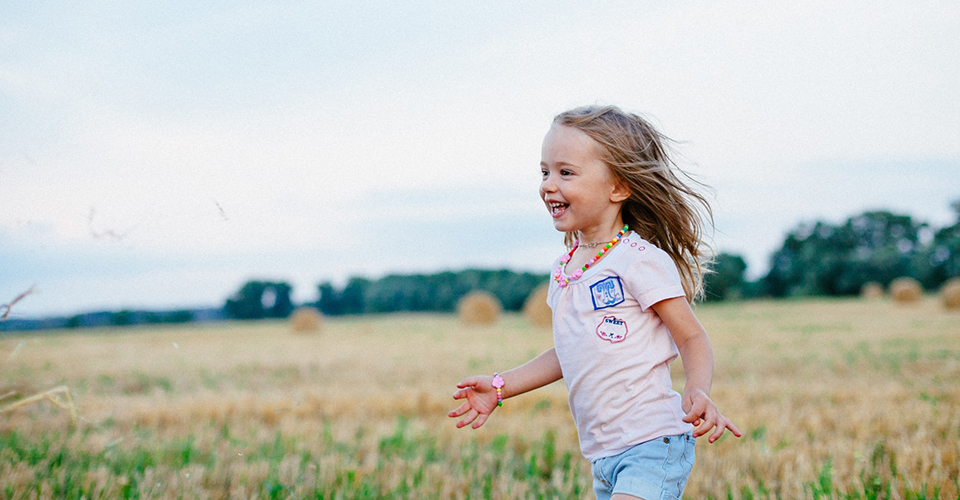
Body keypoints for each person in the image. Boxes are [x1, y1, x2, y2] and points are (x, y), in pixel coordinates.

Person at [448, 105, 741, 500]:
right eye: (544, 171)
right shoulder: (566, 268)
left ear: (618, 187)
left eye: (566, 173)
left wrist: (698, 388)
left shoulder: (640, 261)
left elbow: (691, 337)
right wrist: (501, 386)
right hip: (603, 455)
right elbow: (568, 351)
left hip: (653, 444)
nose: (549, 185)